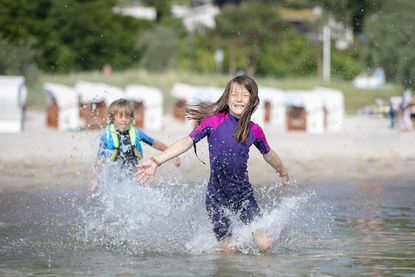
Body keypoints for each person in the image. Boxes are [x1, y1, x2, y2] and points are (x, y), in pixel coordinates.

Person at [136, 75, 289, 253]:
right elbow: (186, 142)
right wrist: (157, 161)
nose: (239, 99)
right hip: (216, 198)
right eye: (234, 94)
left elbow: (269, 154)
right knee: (228, 249)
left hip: (244, 196)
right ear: (227, 98)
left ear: (252, 101)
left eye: (244, 95)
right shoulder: (213, 122)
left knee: (264, 244)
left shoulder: (254, 130)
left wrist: (282, 169)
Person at [91, 98, 181, 194]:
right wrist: (95, 181)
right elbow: (99, 159)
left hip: (131, 172)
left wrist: (172, 153)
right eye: (120, 116)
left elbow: (154, 143)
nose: (124, 119)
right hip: (113, 172)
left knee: (133, 190)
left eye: (127, 116)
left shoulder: (136, 133)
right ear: (113, 118)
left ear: (131, 118)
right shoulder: (106, 136)